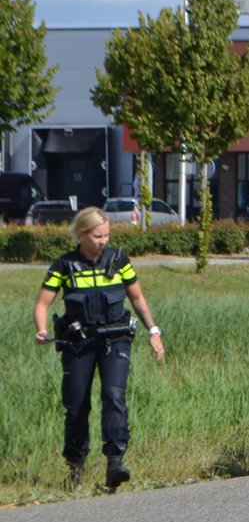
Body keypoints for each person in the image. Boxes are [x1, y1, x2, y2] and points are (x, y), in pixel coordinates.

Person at [32, 206, 165, 489]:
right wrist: (41, 329)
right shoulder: (64, 265)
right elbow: (43, 303)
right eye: (97, 235)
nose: (103, 240)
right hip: (78, 342)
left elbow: (138, 299)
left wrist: (153, 331)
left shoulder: (119, 260)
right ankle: (75, 468)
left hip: (114, 338)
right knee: (77, 406)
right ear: (82, 235)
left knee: (114, 395)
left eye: (106, 235)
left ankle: (115, 462)